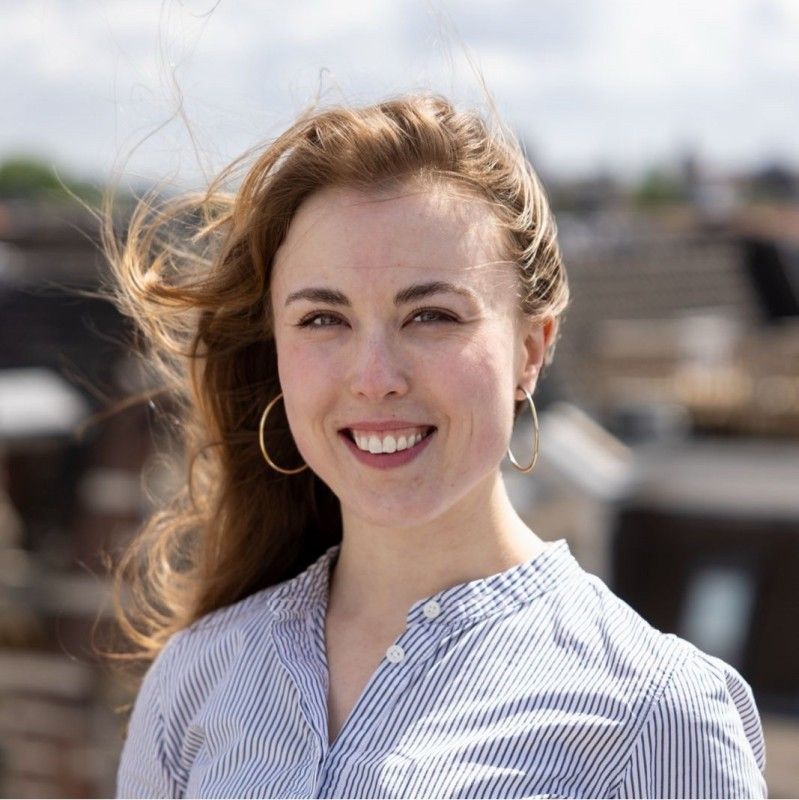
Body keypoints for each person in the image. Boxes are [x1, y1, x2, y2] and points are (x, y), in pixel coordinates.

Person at [110, 94, 766, 798]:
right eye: (323, 318)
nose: (374, 379)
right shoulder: (197, 678)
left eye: (430, 315)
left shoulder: (656, 717)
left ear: (529, 350)